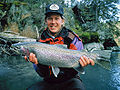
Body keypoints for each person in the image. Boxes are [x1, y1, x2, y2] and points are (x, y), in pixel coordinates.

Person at [25, 3, 95, 90]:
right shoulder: (39, 43)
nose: (53, 22)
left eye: (57, 18)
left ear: (62, 21)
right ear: (45, 21)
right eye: (50, 18)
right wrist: (39, 64)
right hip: (49, 81)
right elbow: (42, 74)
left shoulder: (72, 38)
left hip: (71, 80)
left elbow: (78, 64)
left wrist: (81, 64)